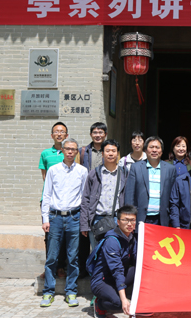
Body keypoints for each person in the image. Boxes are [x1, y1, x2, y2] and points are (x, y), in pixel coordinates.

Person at [40, 138, 88, 308]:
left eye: (73, 149)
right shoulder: (53, 170)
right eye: (67, 148)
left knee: (73, 257)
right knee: (52, 257)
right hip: (55, 217)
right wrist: (45, 218)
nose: (70, 152)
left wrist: (84, 220)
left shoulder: (82, 171)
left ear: (76, 152)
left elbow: (84, 197)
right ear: (62, 151)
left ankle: (71, 291)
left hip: (74, 217)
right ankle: (48, 292)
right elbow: (46, 194)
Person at [80, 139, 128, 250]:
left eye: (113, 151)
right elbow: (85, 199)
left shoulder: (124, 173)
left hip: (117, 220)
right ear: (102, 154)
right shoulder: (94, 173)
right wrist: (84, 224)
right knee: (97, 253)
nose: (110, 154)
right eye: (107, 151)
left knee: (115, 252)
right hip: (97, 220)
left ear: (118, 154)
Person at [91, 205, 138, 318]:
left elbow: (137, 260)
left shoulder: (131, 238)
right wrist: (124, 299)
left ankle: (115, 292)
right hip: (101, 280)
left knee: (139, 270)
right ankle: (99, 304)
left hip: (115, 277)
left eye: (132, 220)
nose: (129, 224)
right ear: (118, 222)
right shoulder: (112, 241)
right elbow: (117, 270)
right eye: (125, 220)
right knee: (119, 304)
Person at [38, 122, 69, 278]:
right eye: (56, 131)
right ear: (52, 135)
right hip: (49, 200)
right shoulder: (45, 154)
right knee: (49, 235)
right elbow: (45, 177)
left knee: (64, 236)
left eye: (62, 131)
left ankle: (61, 267)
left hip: (65, 201)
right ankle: (50, 267)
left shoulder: (70, 153)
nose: (59, 134)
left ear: (66, 135)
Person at [125, 136, 177, 226]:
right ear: (145, 150)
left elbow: (173, 197)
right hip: (141, 218)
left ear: (162, 151)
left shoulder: (170, 169)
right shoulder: (136, 168)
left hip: (162, 219)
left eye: (157, 147)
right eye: (151, 147)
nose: (154, 150)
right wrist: (129, 217)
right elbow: (129, 195)